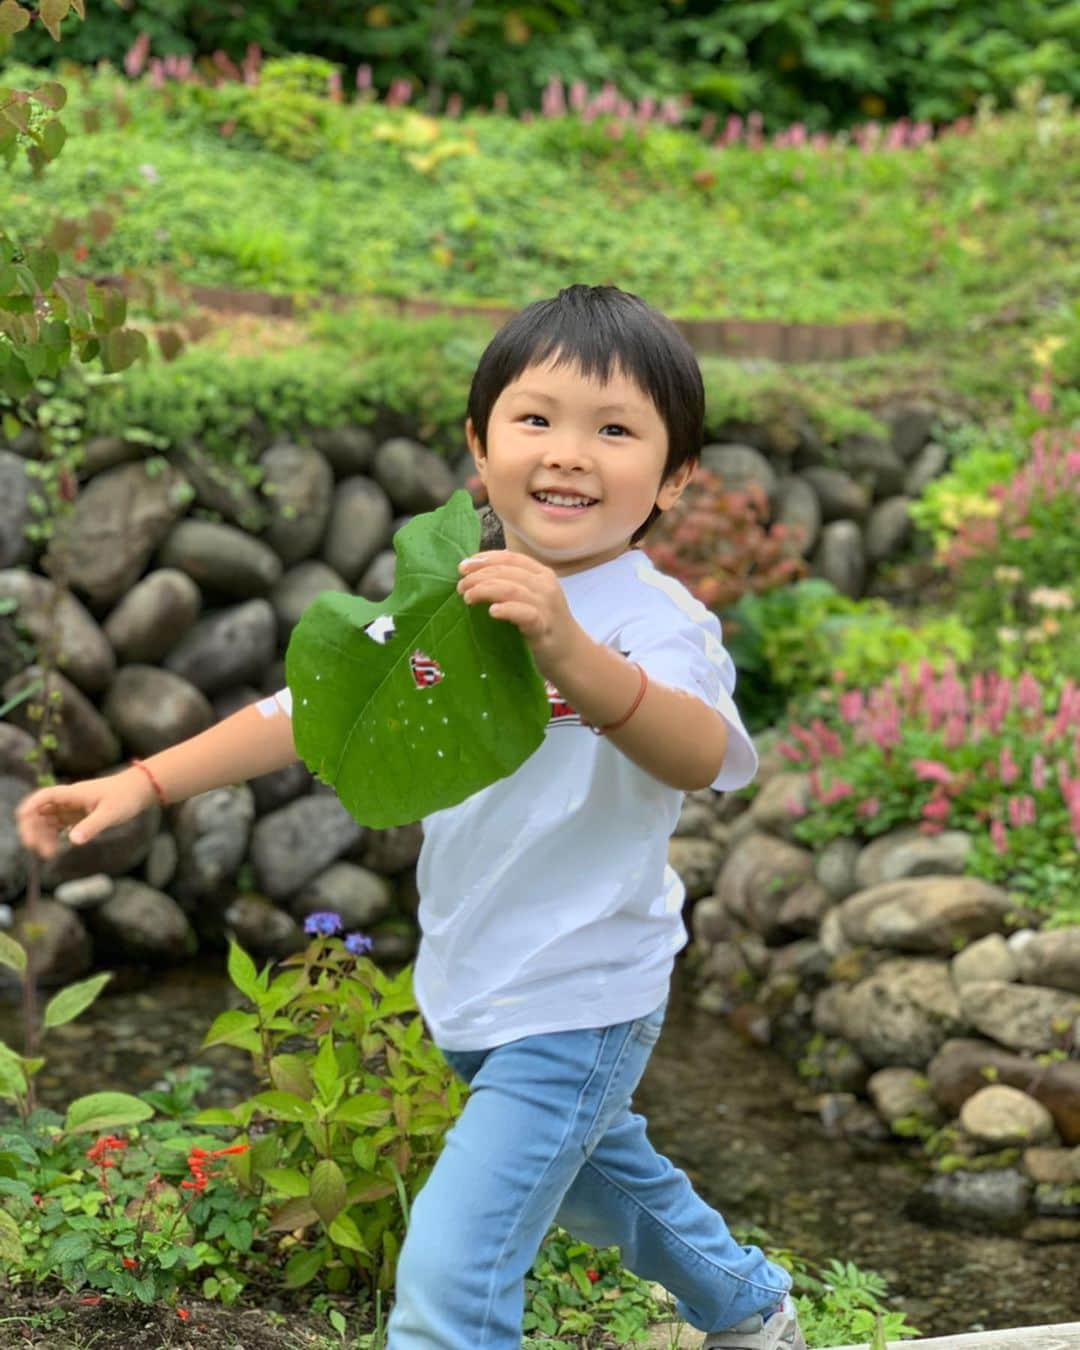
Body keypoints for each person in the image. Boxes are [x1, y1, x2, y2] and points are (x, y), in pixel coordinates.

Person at [16, 284, 804, 1350]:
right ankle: (751, 1308)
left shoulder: (658, 623)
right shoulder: (453, 596)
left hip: (584, 991)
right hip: (475, 976)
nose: (570, 453)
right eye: (538, 420)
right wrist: (147, 782)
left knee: (450, 1267)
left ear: (673, 478)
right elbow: (318, 709)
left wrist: (568, 647)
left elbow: (701, 752)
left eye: (615, 430)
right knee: (600, 1182)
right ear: (480, 448)